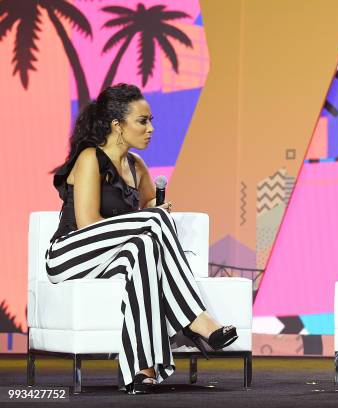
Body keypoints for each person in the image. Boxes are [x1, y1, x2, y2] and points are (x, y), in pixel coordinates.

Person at [46, 83, 238, 395]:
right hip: (70, 253)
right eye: (142, 121)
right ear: (117, 126)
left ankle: (143, 370)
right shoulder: (90, 159)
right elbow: (87, 224)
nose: (151, 128)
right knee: (154, 223)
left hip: (114, 256)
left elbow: (149, 209)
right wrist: (151, 216)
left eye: (151, 121)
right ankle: (196, 318)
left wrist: (151, 211)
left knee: (145, 246)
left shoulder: (137, 167)